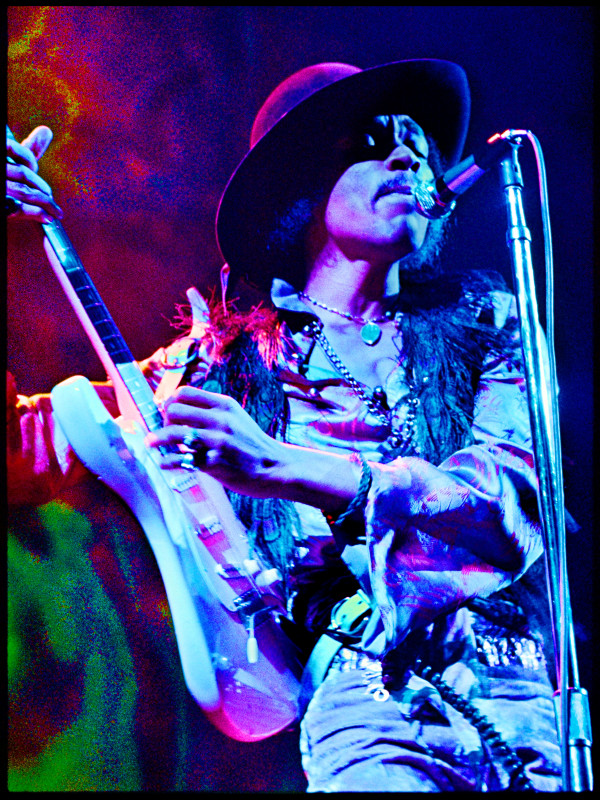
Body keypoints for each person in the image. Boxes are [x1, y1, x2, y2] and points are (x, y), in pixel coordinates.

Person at [7, 59, 563, 791]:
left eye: (418, 145)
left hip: (525, 699)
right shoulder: (213, 367)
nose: (407, 157)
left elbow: (512, 503)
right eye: (372, 142)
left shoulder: (486, 321)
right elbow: (23, 446)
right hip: (368, 711)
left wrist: (281, 465)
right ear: (301, 182)